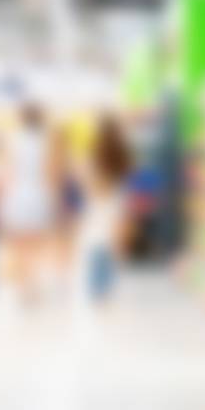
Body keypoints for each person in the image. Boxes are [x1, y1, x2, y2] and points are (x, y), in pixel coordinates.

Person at [0, 104, 59, 301]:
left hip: (17, 195)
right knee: (35, 243)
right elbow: (50, 173)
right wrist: (53, 199)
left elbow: (7, 172)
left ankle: (23, 284)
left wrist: (2, 198)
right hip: (38, 195)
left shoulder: (12, 139)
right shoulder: (46, 141)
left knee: (18, 243)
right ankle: (31, 283)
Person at [76, 113, 133, 306]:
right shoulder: (123, 153)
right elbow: (129, 178)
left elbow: (86, 181)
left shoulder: (93, 154)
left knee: (95, 245)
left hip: (96, 203)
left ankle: (95, 290)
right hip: (117, 201)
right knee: (110, 246)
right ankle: (107, 288)